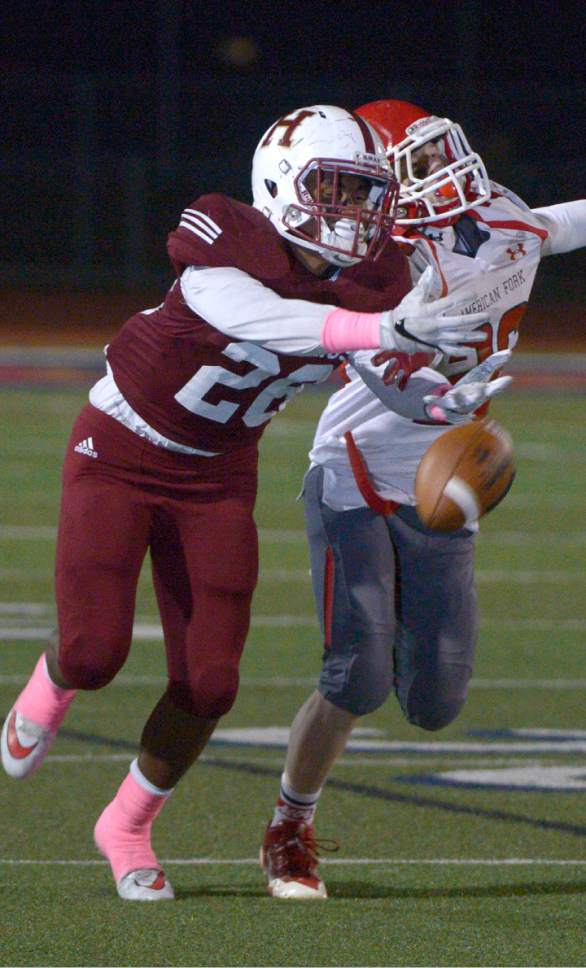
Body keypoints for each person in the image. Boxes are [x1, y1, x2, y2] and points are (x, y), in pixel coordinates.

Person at [0, 105, 491, 901]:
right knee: (95, 651)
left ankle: (125, 823)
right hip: (118, 451)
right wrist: (384, 329)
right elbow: (270, 319)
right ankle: (51, 685)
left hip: (217, 474)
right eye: (331, 189)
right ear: (280, 184)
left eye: (364, 195)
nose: (351, 214)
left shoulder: (370, 287)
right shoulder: (225, 246)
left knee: (212, 682)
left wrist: (434, 401)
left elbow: (369, 367)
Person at [260, 98, 586, 900]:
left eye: (442, 155)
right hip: (358, 473)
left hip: (442, 487)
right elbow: (397, 386)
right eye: (420, 162)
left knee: (436, 702)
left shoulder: (504, 218)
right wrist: (450, 411)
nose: (445, 174)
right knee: (357, 677)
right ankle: (288, 829)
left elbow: (559, 222)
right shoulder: (368, 264)